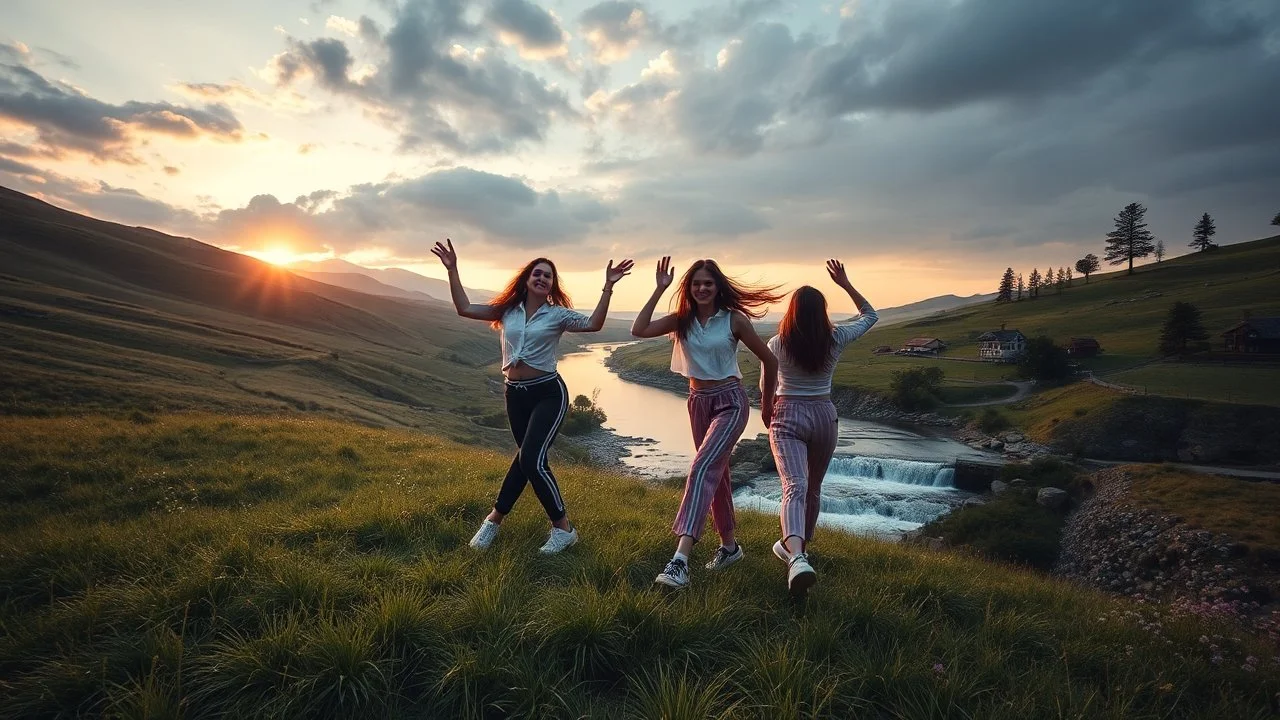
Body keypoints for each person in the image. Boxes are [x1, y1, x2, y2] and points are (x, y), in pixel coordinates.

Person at [431, 239, 633, 554]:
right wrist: (453, 269)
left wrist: (608, 286)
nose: (541, 278)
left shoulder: (558, 316)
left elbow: (594, 324)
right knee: (527, 460)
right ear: (527, 279)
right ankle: (495, 522)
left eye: (547, 276)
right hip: (515, 394)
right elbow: (464, 308)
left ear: (552, 285)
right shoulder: (507, 311)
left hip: (548, 394)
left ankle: (559, 528)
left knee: (530, 459)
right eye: (536, 273)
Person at [631, 257, 782, 589]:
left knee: (701, 468)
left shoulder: (734, 320)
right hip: (697, 402)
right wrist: (659, 289)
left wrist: (767, 404)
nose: (702, 288)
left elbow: (769, 360)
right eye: (696, 283)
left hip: (730, 401)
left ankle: (680, 560)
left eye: (708, 283)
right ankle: (729, 548)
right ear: (689, 288)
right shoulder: (682, 320)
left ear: (717, 288)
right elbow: (638, 329)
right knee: (718, 473)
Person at [765, 259, 877, 595]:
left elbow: (766, 386)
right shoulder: (837, 337)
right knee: (812, 488)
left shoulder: (776, 344)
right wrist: (845, 283)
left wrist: (766, 410)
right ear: (823, 312)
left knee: (793, 487)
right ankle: (801, 555)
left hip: (787, 414)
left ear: (791, 313)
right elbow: (871, 316)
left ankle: (796, 556)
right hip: (825, 416)